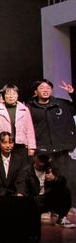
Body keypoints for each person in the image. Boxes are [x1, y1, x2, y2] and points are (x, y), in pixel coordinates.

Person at [27, 79, 76, 210]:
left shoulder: (61, 103)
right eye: (42, 88)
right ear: (35, 91)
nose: (46, 90)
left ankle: (64, 211)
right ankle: (47, 210)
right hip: (42, 150)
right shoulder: (29, 107)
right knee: (45, 183)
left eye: (48, 88)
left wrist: (73, 94)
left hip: (61, 150)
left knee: (63, 181)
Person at [16, 153, 74, 228]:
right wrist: (21, 193)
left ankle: (61, 218)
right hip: (35, 200)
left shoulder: (52, 169)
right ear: (34, 157)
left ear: (49, 159)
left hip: (49, 198)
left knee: (66, 190)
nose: (42, 160)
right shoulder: (27, 171)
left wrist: (54, 179)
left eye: (45, 158)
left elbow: (63, 180)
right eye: (40, 157)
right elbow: (22, 184)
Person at [0, 84, 35, 157]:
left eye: (14, 94)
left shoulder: (24, 109)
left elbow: (29, 129)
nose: (11, 96)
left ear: (17, 95)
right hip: (3, 145)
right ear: (3, 96)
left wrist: (31, 147)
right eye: (8, 94)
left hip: (20, 145)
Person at [0, 132, 29, 197]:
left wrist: (20, 192)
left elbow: (21, 180)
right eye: (4, 142)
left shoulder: (19, 160)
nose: (8, 145)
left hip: (15, 195)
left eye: (10, 142)